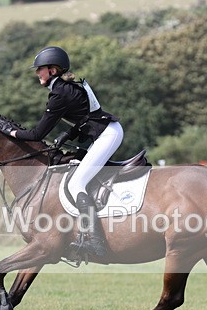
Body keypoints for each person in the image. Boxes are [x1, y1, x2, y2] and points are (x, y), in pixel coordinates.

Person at [6, 46, 123, 258]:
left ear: (52, 70)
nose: (37, 73)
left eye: (40, 69)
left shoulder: (59, 94)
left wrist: (12, 133)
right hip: (104, 131)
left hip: (107, 134)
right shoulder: (68, 87)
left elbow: (37, 133)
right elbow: (86, 116)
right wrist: (67, 135)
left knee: (77, 183)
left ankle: (95, 242)